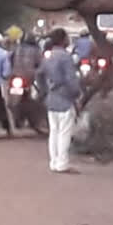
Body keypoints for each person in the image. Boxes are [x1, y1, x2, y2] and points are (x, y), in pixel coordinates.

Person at [36, 28, 83, 174]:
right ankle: (62, 164)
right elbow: (71, 80)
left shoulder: (48, 57)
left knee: (54, 132)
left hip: (51, 99)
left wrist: (43, 91)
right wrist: (76, 94)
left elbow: (39, 74)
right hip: (65, 100)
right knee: (64, 133)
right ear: (63, 40)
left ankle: (54, 162)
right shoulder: (65, 57)